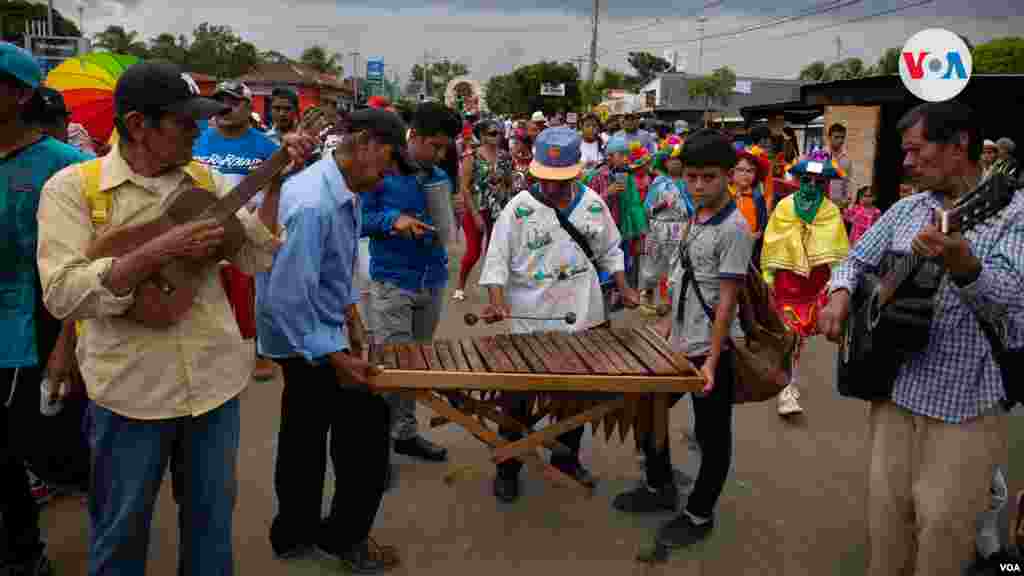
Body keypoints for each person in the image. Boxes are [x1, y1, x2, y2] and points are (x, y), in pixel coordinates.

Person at [36, 60, 315, 575]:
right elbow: (62, 294)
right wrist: (160, 248)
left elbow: (255, 256)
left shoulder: (203, 178)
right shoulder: (73, 189)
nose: (199, 129)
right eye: (185, 121)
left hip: (214, 387)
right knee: (119, 535)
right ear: (139, 125)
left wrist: (275, 183)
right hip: (128, 397)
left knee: (211, 535)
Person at [818, 101, 1022, 575]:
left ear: (960, 146)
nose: (905, 163)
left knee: (943, 532)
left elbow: (1012, 308)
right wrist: (841, 295)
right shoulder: (908, 209)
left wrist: (967, 267)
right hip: (894, 390)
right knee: (887, 522)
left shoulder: (1012, 216)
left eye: (915, 150)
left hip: (965, 406)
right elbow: (853, 260)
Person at [257, 108, 404, 572]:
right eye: (385, 161)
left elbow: (331, 271)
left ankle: (294, 534)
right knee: (365, 438)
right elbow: (284, 298)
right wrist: (337, 356)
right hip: (308, 341)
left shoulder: (342, 188)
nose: (386, 175)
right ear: (361, 143)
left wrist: (351, 315)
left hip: (320, 332)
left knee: (303, 435)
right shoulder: (313, 204)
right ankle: (344, 539)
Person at [478, 126, 640, 502]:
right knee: (517, 400)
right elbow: (497, 259)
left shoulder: (594, 205)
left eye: (561, 180)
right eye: (545, 180)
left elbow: (612, 250)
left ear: (576, 172)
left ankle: (566, 458)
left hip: (582, 317)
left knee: (574, 400)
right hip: (527, 321)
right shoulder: (518, 208)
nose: (551, 187)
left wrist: (624, 285)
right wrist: (497, 299)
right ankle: (509, 464)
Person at [620, 129, 751, 556]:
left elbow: (727, 302)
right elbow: (684, 280)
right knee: (646, 409)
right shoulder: (696, 217)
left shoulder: (735, 228)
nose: (698, 186)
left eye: (708, 178)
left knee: (713, 439)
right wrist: (665, 330)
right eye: (691, 177)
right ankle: (659, 485)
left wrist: (712, 360)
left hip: (712, 352)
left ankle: (699, 514)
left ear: (728, 176)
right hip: (678, 343)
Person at [0, 41, 92, 576]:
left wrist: (69, 341)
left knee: (63, 452)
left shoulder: (72, 170)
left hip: (46, 323)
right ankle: (23, 552)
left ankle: (114, 539)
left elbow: (96, 260)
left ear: (18, 94)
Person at [361, 102, 461, 463]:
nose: (439, 153)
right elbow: (358, 219)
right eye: (433, 145)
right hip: (393, 283)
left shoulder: (440, 176)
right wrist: (393, 220)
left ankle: (404, 433)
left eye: (444, 148)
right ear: (413, 136)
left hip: (431, 281)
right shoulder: (380, 171)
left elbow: (446, 228)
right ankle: (375, 452)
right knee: (388, 369)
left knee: (414, 366)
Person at [193, 80, 280, 381]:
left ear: (248, 107)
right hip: (202, 230)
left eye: (233, 101)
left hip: (247, 232)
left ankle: (259, 353)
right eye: (220, 101)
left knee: (250, 295)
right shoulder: (198, 140)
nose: (225, 108)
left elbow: (277, 190)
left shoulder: (267, 147)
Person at [761, 150, 850, 417]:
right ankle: (786, 389)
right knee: (790, 336)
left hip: (815, 287)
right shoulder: (785, 207)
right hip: (787, 283)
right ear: (798, 179)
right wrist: (767, 276)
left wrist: (839, 286)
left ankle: (787, 381)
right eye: (807, 180)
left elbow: (838, 251)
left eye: (819, 182)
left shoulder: (830, 211)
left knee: (798, 339)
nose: (812, 186)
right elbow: (772, 241)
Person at [452, 119, 512, 302]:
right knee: (473, 252)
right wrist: (476, 214)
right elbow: (464, 187)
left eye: (499, 133)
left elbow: (508, 182)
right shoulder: (471, 156)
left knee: (494, 251)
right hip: (476, 209)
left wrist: (507, 203)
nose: (498, 136)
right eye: (493, 133)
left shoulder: (505, 156)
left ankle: (493, 291)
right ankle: (460, 286)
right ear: (483, 136)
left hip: (498, 209)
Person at [641, 136, 693, 315]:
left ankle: (668, 300)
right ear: (665, 162)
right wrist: (661, 205)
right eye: (672, 160)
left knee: (676, 264)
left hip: (680, 228)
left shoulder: (689, 183)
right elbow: (647, 208)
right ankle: (648, 293)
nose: (676, 164)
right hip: (658, 227)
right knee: (653, 261)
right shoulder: (658, 183)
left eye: (679, 160)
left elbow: (693, 207)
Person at [825, 123, 853, 207]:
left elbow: (847, 181)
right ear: (829, 137)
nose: (840, 140)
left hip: (839, 203)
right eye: (836, 137)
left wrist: (848, 198)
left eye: (842, 137)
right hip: (821, 202)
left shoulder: (846, 159)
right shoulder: (820, 155)